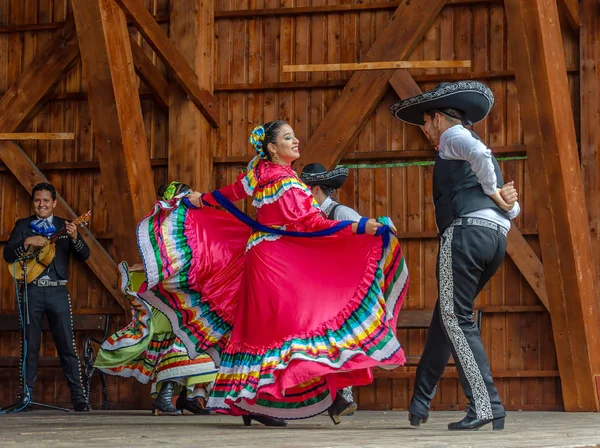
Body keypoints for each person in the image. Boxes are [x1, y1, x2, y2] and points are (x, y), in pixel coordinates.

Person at [135, 120, 410, 426]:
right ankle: (260, 401)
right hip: (274, 264)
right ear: (271, 148)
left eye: (294, 135)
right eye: (288, 137)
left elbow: (230, 193)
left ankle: (254, 402)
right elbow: (313, 225)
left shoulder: (262, 173)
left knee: (268, 330)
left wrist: (203, 199)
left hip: (264, 258)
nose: (296, 140)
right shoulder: (286, 183)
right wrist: (361, 226)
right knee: (294, 324)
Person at [389, 81, 520, 431]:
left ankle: (486, 404)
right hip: (494, 238)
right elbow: (512, 208)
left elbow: (480, 166)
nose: (426, 132)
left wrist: (492, 190)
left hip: (464, 234)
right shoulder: (481, 150)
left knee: (455, 318)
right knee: (447, 316)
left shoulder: (454, 137)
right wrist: (502, 197)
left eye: (425, 124)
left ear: (436, 118)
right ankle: (421, 400)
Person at [3, 182, 91, 412]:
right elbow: (7, 254)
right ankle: (26, 397)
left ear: (54, 203)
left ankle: (79, 400)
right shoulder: (23, 225)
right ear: (34, 202)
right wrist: (26, 242)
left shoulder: (65, 226)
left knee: (67, 346)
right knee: (29, 345)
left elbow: (85, 255)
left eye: (45, 200)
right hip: (31, 290)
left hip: (57, 290)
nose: (41, 204)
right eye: (37, 200)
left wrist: (75, 238)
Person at [94, 259, 217, 415]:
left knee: (197, 338)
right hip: (172, 294)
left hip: (187, 290)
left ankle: (185, 396)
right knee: (184, 340)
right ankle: (165, 395)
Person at [300, 162, 363, 415]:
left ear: (314, 190)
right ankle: (331, 398)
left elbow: (364, 246)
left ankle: (342, 395)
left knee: (339, 340)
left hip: (342, 289)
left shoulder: (342, 213)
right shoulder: (308, 218)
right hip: (318, 290)